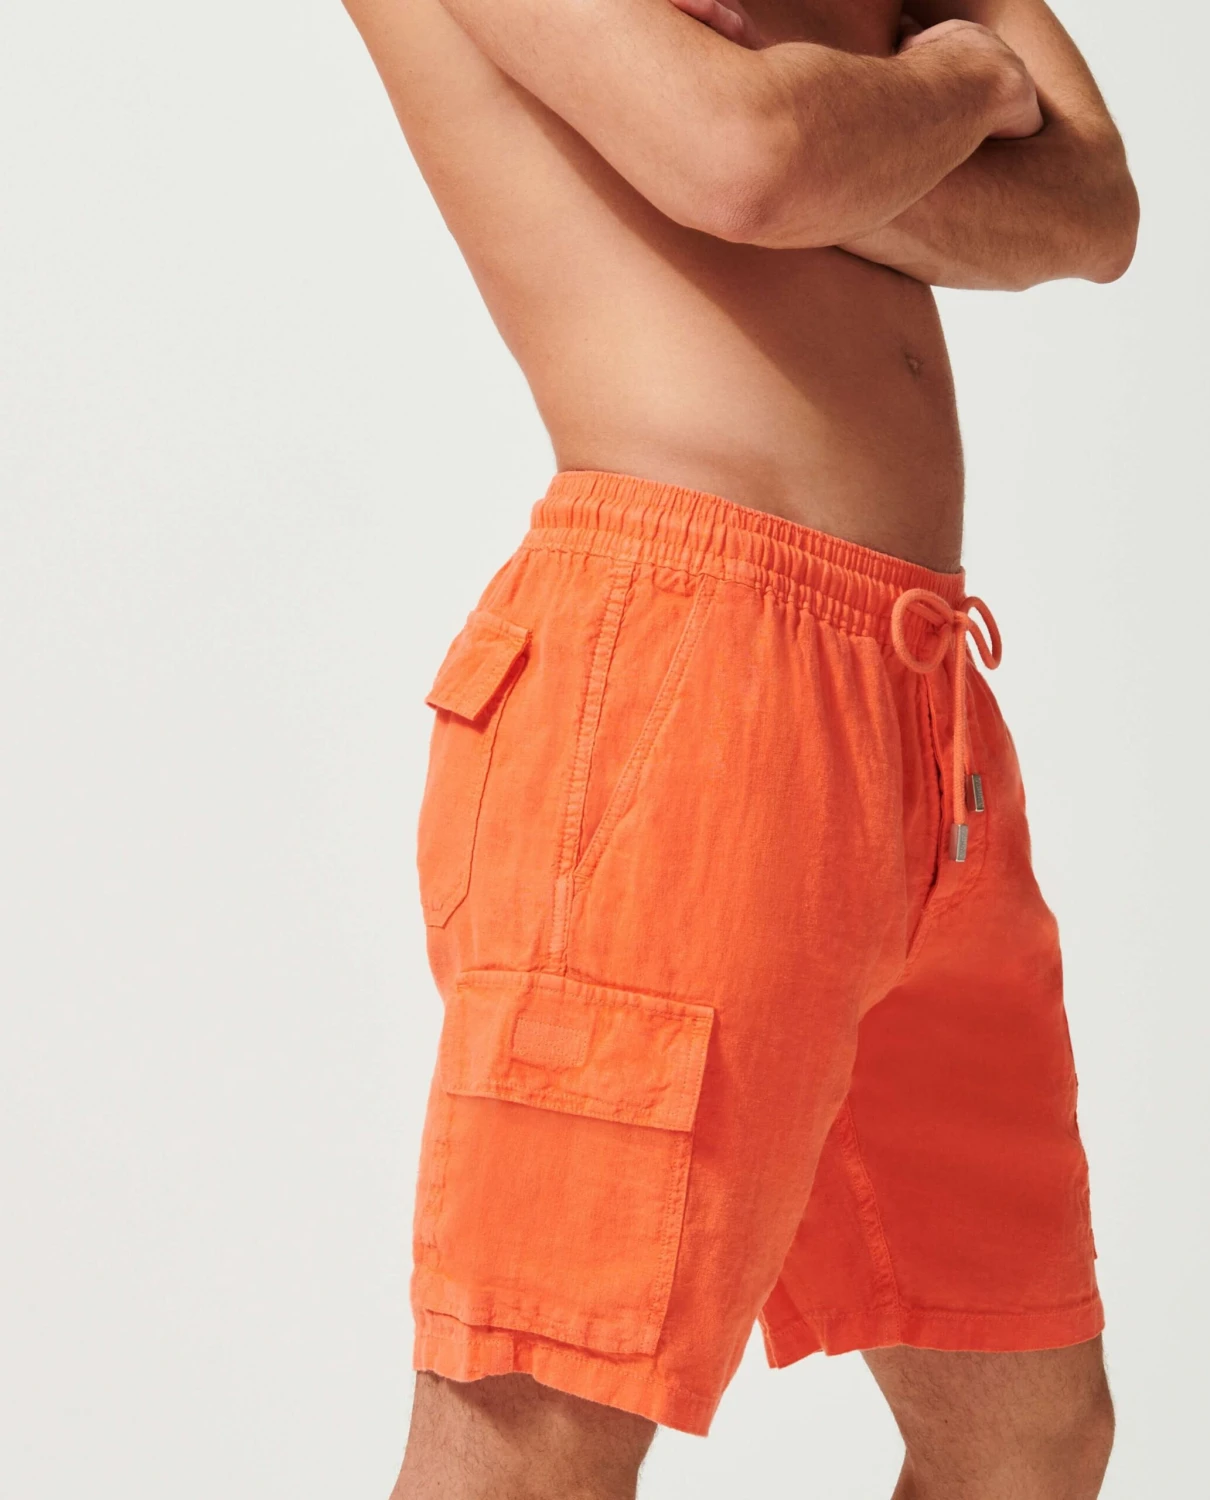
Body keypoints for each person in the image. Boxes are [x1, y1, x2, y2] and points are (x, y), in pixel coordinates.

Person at [341, 0, 1137, 1491]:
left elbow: (1093, 208)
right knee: (539, 1433)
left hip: (927, 708)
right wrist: (963, 76)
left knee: (1029, 1434)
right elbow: (746, 160)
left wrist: (829, 143)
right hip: (675, 682)